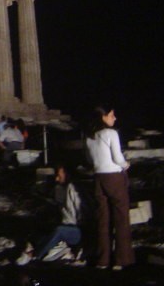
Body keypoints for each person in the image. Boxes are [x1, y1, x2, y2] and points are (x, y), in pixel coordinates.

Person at [85, 106, 134, 270]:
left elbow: (89, 158)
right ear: (103, 117)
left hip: (98, 177)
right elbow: (117, 157)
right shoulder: (111, 133)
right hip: (114, 176)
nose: (115, 118)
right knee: (121, 218)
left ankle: (103, 260)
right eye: (112, 115)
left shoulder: (89, 137)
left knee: (103, 220)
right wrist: (126, 165)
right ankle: (122, 259)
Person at [16, 164, 84, 265]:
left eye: (59, 176)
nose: (57, 179)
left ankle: (34, 254)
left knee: (59, 231)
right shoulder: (60, 188)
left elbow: (81, 212)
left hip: (76, 230)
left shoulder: (73, 189)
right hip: (64, 224)